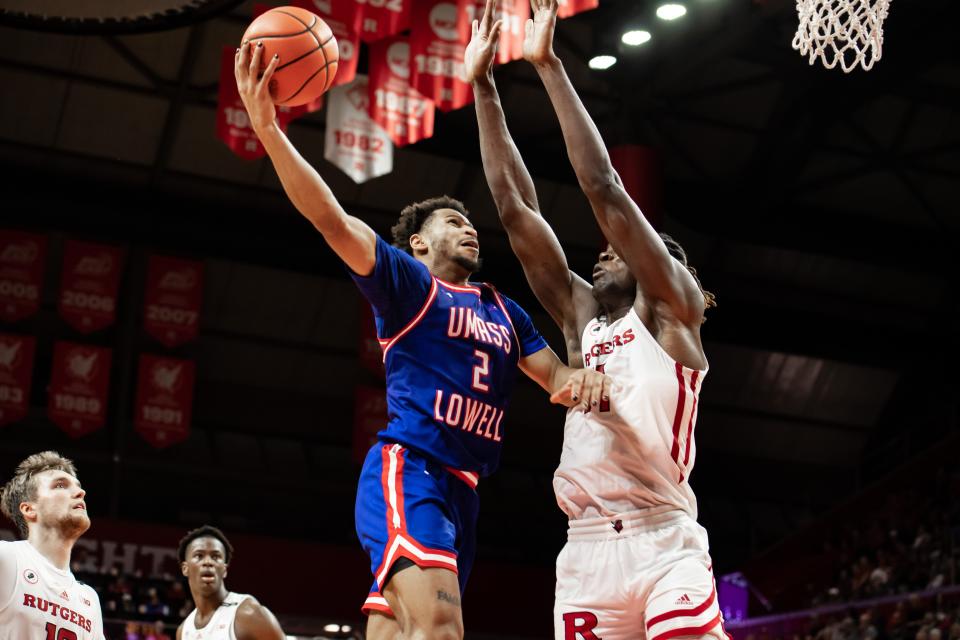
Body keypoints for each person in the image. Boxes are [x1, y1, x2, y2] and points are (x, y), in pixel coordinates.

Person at [234, 40, 610, 640]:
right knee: (441, 628)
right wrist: (268, 130)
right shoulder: (409, 288)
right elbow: (331, 217)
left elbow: (554, 378)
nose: (469, 229)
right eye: (452, 222)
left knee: (396, 634)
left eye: (470, 222)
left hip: (464, 489)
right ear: (418, 244)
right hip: (412, 469)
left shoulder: (505, 310)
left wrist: (579, 379)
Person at [464, 1, 726, 638]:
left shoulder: (672, 314)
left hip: (663, 539)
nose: (605, 249)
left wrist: (549, 65)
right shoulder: (585, 322)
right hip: (584, 550)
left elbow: (604, 188)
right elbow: (515, 206)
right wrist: (483, 87)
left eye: (626, 248)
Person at [0, 451, 105, 639]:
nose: (81, 492)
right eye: (60, 485)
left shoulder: (89, 599)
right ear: (29, 509)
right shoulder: (7, 558)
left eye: (78, 486)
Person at [176, 526, 284, 640]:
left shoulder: (249, 614)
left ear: (224, 570)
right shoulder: (183, 631)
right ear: (185, 568)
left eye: (215, 556)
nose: (208, 562)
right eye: (199, 556)